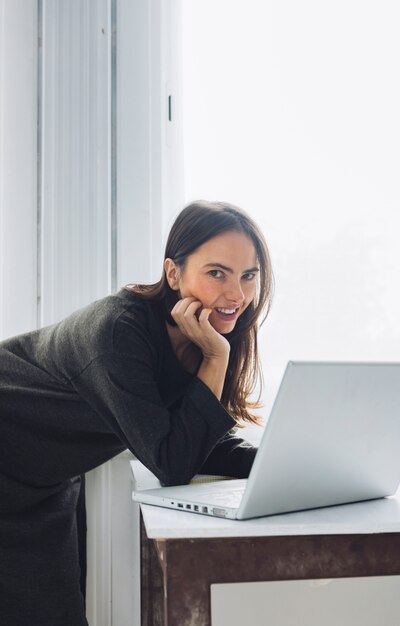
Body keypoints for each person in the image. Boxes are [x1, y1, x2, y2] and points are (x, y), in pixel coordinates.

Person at [0, 199, 274, 625]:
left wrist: (289, 465)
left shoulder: (199, 337)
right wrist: (215, 360)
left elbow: (202, 444)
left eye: (249, 275)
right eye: (217, 273)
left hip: (40, 482)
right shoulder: (120, 333)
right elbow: (174, 462)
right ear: (173, 273)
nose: (236, 295)